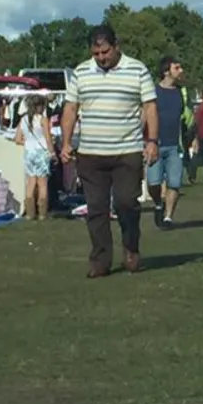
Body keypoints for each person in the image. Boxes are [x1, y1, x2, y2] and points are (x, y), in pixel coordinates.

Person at [60, 24, 159, 279]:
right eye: (96, 53)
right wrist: (66, 142)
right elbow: (71, 109)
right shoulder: (81, 73)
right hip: (91, 153)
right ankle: (100, 260)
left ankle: (131, 248)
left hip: (127, 150)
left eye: (105, 52)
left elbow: (149, 107)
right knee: (96, 208)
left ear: (117, 47)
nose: (101, 57)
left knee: (127, 203)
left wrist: (152, 141)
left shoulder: (137, 70)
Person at [147, 57, 187, 230]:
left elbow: (186, 119)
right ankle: (158, 204)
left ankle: (168, 217)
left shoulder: (182, 92)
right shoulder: (153, 92)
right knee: (153, 182)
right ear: (166, 71)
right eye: (176, 67)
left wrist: (193, 139)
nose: (181, 70)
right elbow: (145, 115)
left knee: (174, 183)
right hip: (155, 143)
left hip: (175, 145)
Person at [13, 95, 56, 220]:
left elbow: (17, 139)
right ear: (40, 106)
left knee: (30, 182)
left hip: (29, 152)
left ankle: (30, 213)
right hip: (41, 152)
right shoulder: (43, 119)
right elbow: (48, 138)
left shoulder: (23, 119)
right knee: (42, 183)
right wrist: (52, 153)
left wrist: (27, 143)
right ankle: (42, 213)